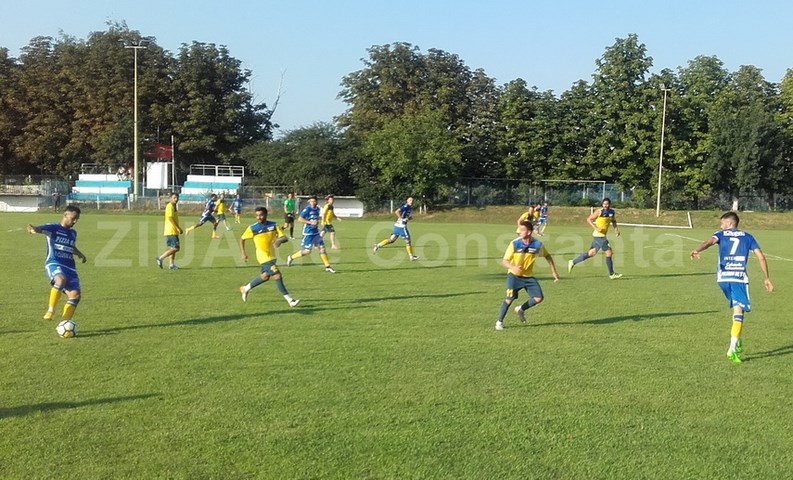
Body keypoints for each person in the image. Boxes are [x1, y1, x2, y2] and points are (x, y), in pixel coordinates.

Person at [690, 211, 774, 363]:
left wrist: (697, 250)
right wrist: (767, 277)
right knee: (739, 311)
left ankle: (738, 338)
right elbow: (761, 257)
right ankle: (732, 349)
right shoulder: (748, 237)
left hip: (722, 279)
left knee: (739, 309)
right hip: (738, 279)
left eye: (722, 223)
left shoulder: (720, 234)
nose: (721, 226)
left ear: (729, 223)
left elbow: (708, 242)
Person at [27, 205, 87, 322]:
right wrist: (32, 229)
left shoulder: (73, 233)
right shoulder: (53, 228)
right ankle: (50, 310)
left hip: (70, 267)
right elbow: (37, 229)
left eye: (77, 219)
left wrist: (80, 254)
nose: (75, 221)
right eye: (73, 218)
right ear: (65, 215)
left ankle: (63, 324)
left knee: (75, 295)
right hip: (54, 262)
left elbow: (70, 246)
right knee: (60, 280)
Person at [496, 220, 560, 330]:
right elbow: (504, 261)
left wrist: (554, 272)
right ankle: (499, 322)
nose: (519, 232)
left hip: (528, 277)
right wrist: (513, 267)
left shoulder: (537, 245)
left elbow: (548, 256)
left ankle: (520, 309)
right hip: (514, 276)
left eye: (522, 230)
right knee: (509, 299)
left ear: (529, 232)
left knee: (539, 298)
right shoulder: (514, 244)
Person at [239, 207, 300, 307]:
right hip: (262, 256)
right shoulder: (253, 228)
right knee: (277, 275)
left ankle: (245, 288)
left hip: (272, 256)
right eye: (257, 215)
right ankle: (290, 300)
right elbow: (242, 239)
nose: (259, 217)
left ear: (266, 215)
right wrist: (243, 253)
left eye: (261, 215)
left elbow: (284, 237)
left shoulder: (274, 225)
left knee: (265, 277)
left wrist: (279, 241)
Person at [567, 198, 623, 279]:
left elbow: (613, 221)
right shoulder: (599, 212)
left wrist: (616, 230)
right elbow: (589, 219)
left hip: (600, 235)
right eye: (604, 204)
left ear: (610, 204)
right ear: (602, 204)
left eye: (607, 204)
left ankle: (572, 262)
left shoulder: (611, 212)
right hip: (599, 236)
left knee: (591, 253)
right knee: (609, 253)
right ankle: (612, 274)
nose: (605, 205)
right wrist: (596, 228)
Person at [285, 196, 336, 273]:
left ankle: (327, 266)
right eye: (311, 201)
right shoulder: (307, 209)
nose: (312, 203)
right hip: (308, 233)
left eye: (314, 201)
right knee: (307, 251)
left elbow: (317, 218)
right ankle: (291, 257)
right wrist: (310, 222)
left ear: (316, 202)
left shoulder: (318, 209)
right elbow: (300, 219)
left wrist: (317, 224)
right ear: (309, 202)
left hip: (316, 233)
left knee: (322, 248)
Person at [372, 196, 419, 260]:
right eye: (410, 200)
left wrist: (408, 218)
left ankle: (377, 245)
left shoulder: (409, 207)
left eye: (412, 200)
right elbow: (397, 211)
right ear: (407, 201)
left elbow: (404, 216)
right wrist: (402, 219)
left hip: (397, 225)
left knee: (391, 240)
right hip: (402, 226)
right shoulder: (406, 206)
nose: (412, 201)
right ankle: (411, 256)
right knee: (408, 241)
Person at [155, 193, 183, 270]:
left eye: (177, 198)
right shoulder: (170, 206)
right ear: (170, 198)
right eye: (174, 198)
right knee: (176, 248)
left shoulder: (174, 206)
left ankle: (171, 265)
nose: (176, 199)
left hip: (172, 231)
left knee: (172, 248)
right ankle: (160, 258)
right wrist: (178, 228)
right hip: (171, 230)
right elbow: (170, 218)